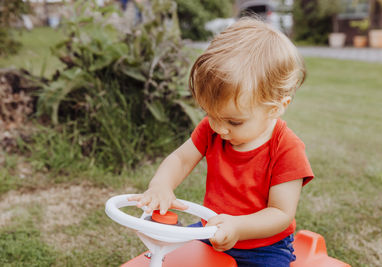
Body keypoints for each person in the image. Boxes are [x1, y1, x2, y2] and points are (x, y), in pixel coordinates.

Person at [129, 17, 314, 267]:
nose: (218, 127)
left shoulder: (286, 148)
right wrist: (161, 184)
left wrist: (238, 226)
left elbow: (281, 213)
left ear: (277, 107)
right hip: (210, 231)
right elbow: (181, 159)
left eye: (233, 122)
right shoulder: (212, 129)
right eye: (210, 113)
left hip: (264, 246)